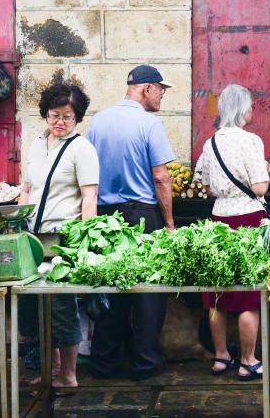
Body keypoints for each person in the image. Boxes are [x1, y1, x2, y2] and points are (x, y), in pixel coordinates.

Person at [86, 65, 175, 380]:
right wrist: (169, 223)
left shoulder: (98, 121)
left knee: (111, 285)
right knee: (149, 291)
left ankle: (104, 363)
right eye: (161, 89)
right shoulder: (149, 123)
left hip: (106, 217)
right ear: (147, 88)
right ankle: (145, 364)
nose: (162, 95)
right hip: (142, 216)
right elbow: (161, 177)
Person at [195, 83, 270, 381]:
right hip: (248, 220)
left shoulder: (210, 142)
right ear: (242, 109)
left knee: (218, 294)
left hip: (219, 219)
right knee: (248, 295)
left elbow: (203, 185)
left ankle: (220, 357)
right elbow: (259, 188)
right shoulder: (250, 141)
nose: (252, 110)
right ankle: (248, 361)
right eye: (251, 106)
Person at [18, 81, 99, 387]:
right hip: (33, 237)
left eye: (67, 116)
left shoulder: (82, 149)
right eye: (55, 116)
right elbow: (26, 189)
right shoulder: (37, 145)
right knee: (37, 306)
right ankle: (49, 371)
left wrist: (86, 241)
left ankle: (68, 375)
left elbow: (89, 196)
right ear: (45, 114)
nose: (60, 122)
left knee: (63, 308)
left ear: (77, 118)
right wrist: (17, 223)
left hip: (63, 238)